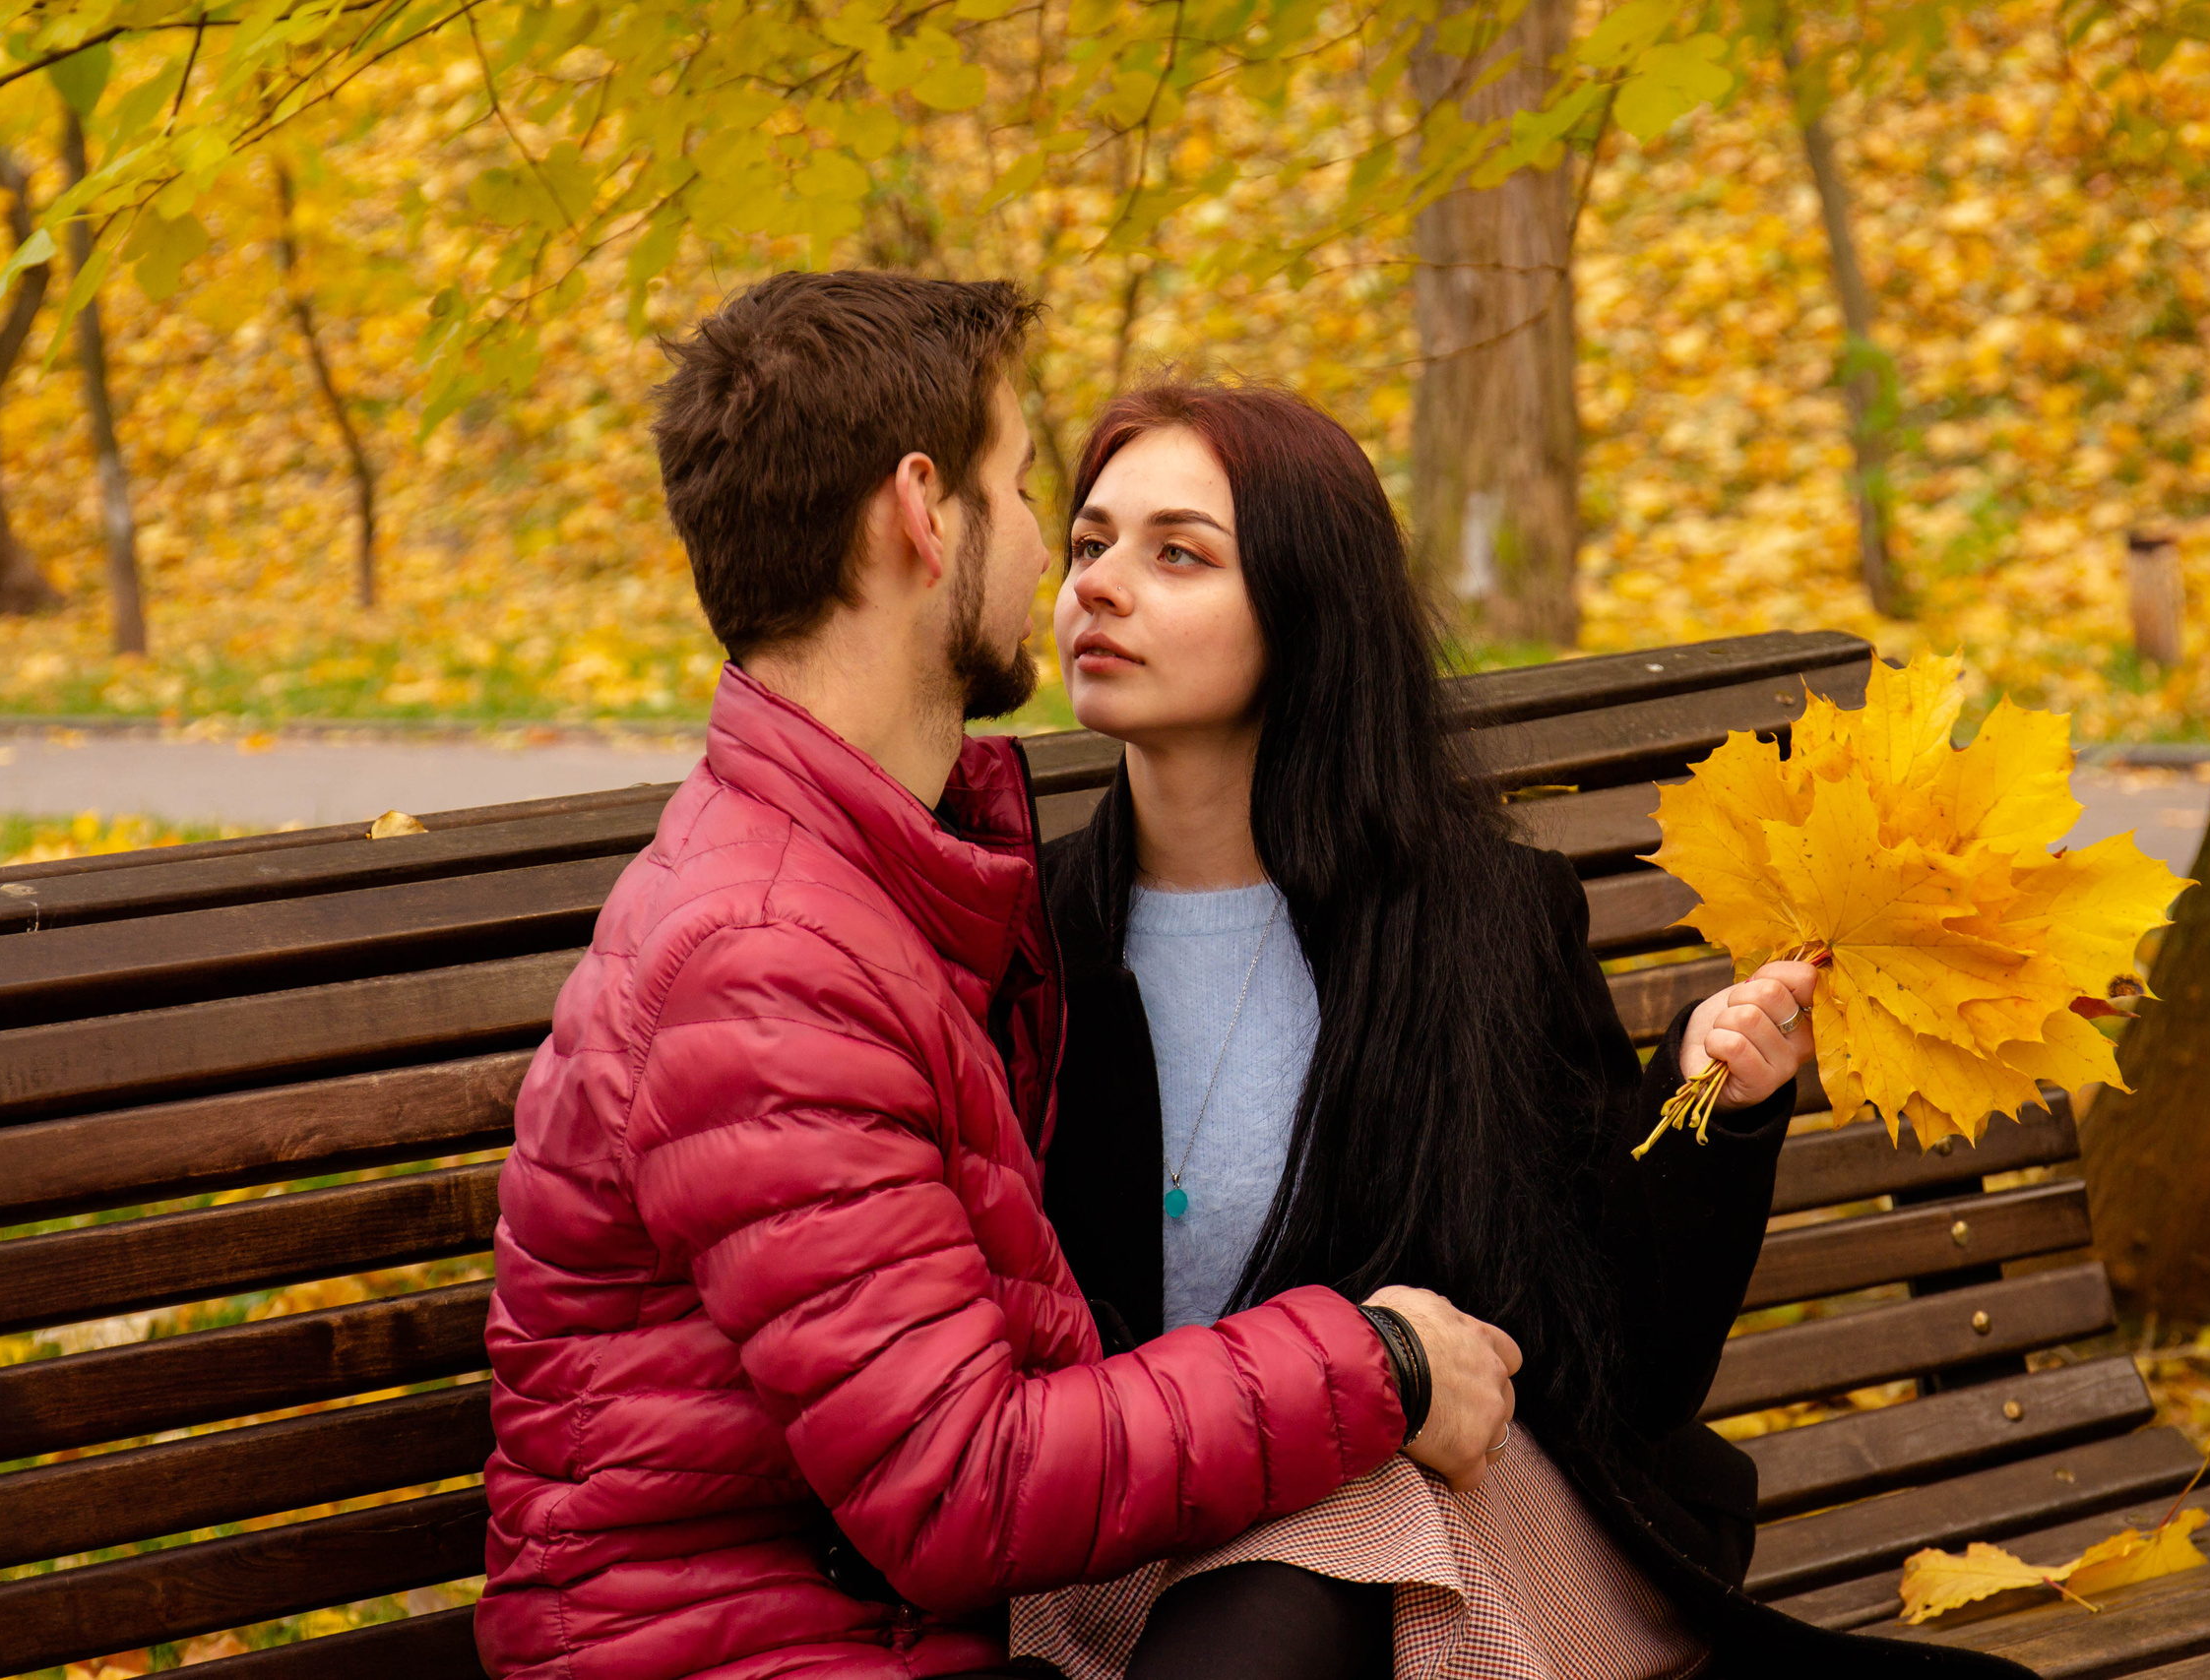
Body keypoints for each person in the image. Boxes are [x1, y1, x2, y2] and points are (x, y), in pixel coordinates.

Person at [474, 276, 1524, 1680]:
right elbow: (960, 1484)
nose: (1054, 559)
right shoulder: (769, 965)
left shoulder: (888, 879)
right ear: (923, 513)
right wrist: (1376, 1361)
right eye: (1024, 491)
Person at [1019, 383, 2037, 1680]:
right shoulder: (1023, 934)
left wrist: (1715, 1111)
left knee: (1307, 1565)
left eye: (1178, 554)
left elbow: (1623, 1357)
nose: (1099, 586)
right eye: (1090, 543)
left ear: (1308, 611)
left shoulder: (1476, 923)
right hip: (1121, 1521)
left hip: (1411, 1513)